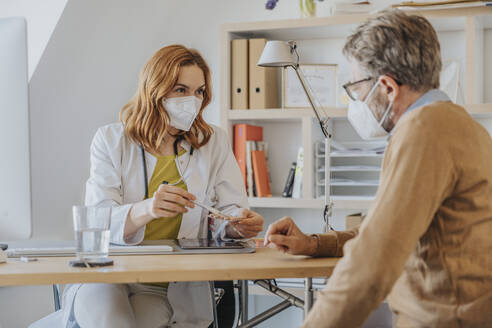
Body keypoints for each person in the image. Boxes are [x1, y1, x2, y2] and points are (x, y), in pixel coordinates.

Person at [264, 10, 492, 328]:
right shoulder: (461, 125)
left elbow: (372, 261)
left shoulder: (423, 130)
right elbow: (388, 229)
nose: (355, 101)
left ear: (386, 87)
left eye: (356, 88)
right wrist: (315, 244)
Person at [33, 45, 263, 328]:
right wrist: (146, 209)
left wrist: (237, 225)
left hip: (165, 288)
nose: (192, 100)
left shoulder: (212, 141)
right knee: (112, 320)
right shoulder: (110, 140)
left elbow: (231, 210)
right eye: (180, 89)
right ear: (155, 89)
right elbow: (96, 219)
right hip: (107, 276)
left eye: (199, 91)